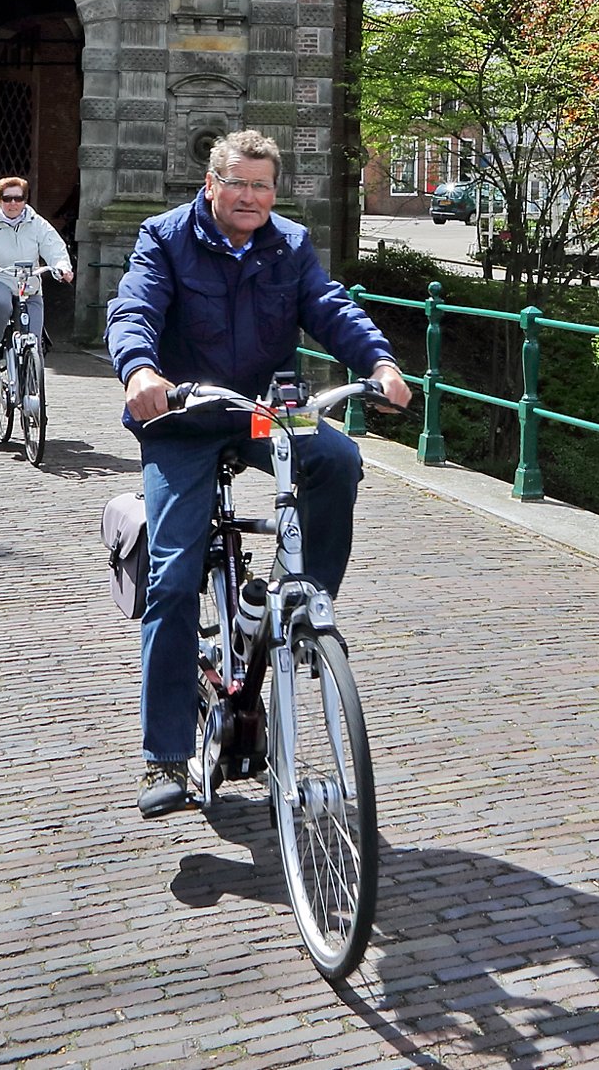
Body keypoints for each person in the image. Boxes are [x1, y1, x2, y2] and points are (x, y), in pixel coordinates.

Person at [108, 130, 412, 818]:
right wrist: (141, 370)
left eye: (263, 187)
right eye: (238, 184)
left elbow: (330, 307)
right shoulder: (164, 237)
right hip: (182, 416)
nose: (250, 198)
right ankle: (165, 751)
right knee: (175, 572)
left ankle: (306, 601)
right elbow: (133, 309)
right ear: (211, 184)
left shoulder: (289, 243)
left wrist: (379, 362)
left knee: (338, 459)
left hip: (265, 408)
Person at [0, 174, 73, 376]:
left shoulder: (37, 223)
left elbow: (53, 246)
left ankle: (30, 384)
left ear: (25, 200)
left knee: (34, 337)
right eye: (7, 198)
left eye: (18, 198)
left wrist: (62, 267)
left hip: (29, 284)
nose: (13, 203)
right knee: (0, 305)